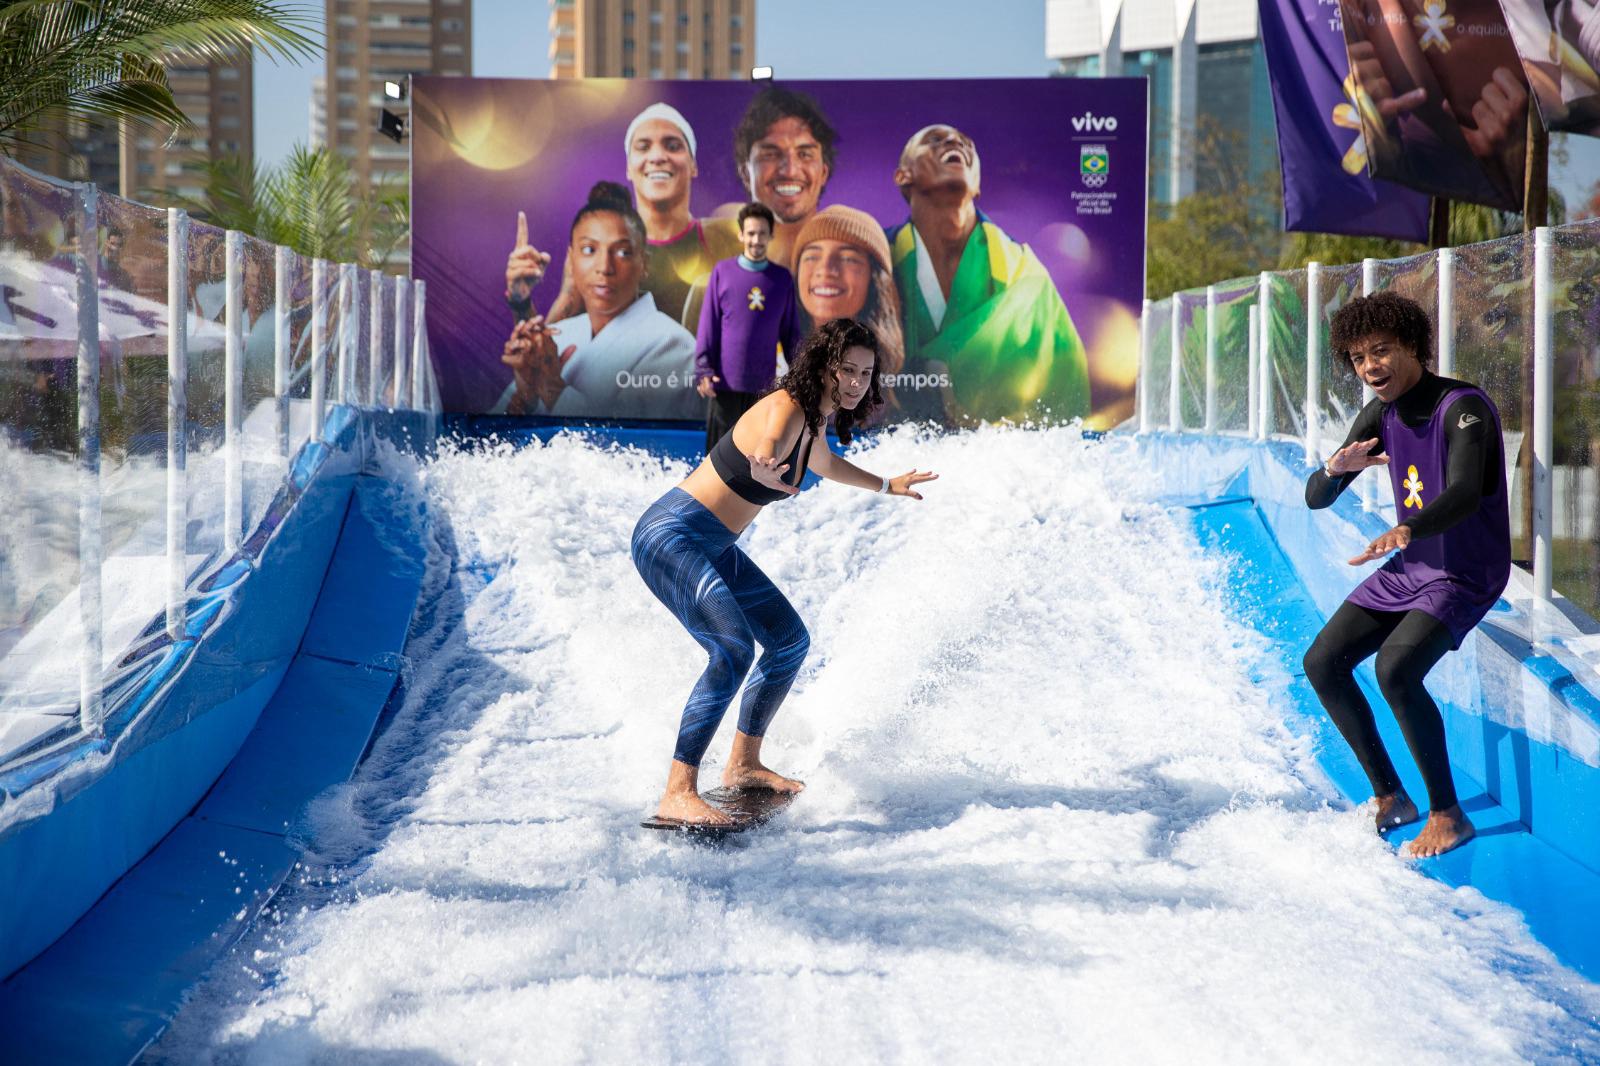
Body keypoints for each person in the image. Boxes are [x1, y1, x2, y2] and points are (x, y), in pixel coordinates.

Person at [631, 318, 938, 827]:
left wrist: (889, 484)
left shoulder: (814, 422)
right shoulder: (787, 410)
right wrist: (762, 468)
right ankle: (677, 792)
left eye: (866, 373)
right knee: (731, 649)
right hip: (671, 537)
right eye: (848, 370)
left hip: (710, 543)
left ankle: (743, 764)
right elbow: (766, 448)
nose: (857, 382)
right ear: (824, 365)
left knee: (788, 641)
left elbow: (824, 465)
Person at [1302, 292, 1510, 859]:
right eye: (1358, 358)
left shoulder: (1463, 405)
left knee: (1395, 669)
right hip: (1411, 566)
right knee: (1322, 662)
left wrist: (1408, 529)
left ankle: (1448, 814)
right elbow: (1318, 499)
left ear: (1413, 346)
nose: (1370, 367)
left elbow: (1466, 491)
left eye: (1382, 351)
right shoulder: (1380, 412)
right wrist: (1331, 468)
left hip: (1464, 569)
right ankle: (1391, 796)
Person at [888, 123, 1088, 426]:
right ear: (903, 175)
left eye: (965, 143)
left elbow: (1060, 395)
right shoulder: (876, 258)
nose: (955, 142)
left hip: (996, 463)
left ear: (977, 183)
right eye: (935, 140)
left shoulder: (1025, 277)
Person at [503, 103, 740, 333]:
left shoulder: (726, 238)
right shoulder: (598, 248)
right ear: (629, 167)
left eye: (672, 145)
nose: (657, 156)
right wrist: (521, 301)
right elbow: (549, 353)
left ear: (693, 165)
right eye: (643, 147)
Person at [495, 182, 699, 420]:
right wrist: (526, 398)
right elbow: (496, 434)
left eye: (623, 252)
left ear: (644, 263)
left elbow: (637, 447)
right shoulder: (558, 335)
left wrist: (551, 387)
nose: (604, 268)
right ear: (571, 261)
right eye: (589, 250)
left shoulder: (674, 345)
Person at [694, 201, 803, 454]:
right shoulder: (723, 272)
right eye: (751, 233)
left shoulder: (782, 279)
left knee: (754, 458)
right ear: (742, 234)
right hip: (725, 386)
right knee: (717, 458)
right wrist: (703, 369)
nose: (756, 240)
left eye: (762, 233)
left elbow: (790, 333)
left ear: (771, 235)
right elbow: (708, 325)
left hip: (762, 388)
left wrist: (800, 375)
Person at [704, 86, 839, 271]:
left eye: (805, 154)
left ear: (823, 173)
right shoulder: (714, 266)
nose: (790, 171)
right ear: (745, 173)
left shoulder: (846, 265)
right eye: (771, 155)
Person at [791, 205, 906, 398]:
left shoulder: (914, 379)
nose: (826, 269)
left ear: (876, 279)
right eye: (812, 256)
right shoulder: (776, 360)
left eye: (848, 258)